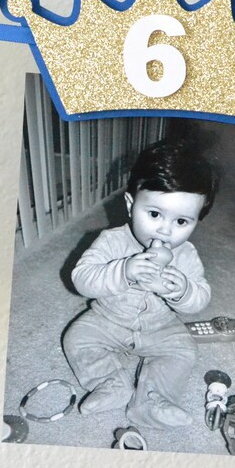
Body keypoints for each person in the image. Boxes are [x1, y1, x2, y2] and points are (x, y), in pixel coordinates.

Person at [63, 139, 218, 429]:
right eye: (155, 214)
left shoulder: (186, 254)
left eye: (181, 222)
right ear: (131, 205)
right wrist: (123, 271)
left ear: (196, 221)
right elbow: (81, 278)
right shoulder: (112, 241)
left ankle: (152, 401)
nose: (165, 230)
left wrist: (182, 291)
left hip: (162, 327)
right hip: (107, 319)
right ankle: (110, 383)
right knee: (77, 338)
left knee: (184, 350)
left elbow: (201, 297)